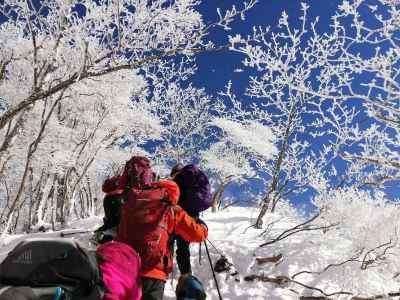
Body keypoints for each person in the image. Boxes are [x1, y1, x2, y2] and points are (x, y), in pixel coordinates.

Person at [116, 156, 208, 300]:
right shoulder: (170, 207)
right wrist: (203, 226)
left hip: (122, 271)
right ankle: (185, 279)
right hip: (153, 275)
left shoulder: (127, 205)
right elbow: (199, 235)